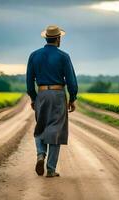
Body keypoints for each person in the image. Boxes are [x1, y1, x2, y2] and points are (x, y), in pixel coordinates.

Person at [26, 25, 78, 178]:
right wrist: (72, 98)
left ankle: (41, 154)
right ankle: (50, 169)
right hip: (57, 95)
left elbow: (29, 82)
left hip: (41, 94)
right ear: (58, 38)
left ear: (46, 37)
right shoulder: (63, 56)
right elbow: (71, 81)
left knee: (40, 127)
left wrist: (34, 98)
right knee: (56, 130)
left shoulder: (34, 55)